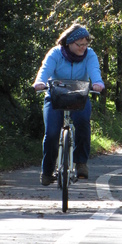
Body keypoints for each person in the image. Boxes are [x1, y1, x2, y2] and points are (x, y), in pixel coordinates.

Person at [33, 23, 105, 185]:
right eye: (79, 44)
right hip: (55, 96)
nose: (83, 48)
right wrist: (40, 82)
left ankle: (80, 163)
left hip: (79, 96)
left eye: (86, 44)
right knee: (51, 133)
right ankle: (47, 171)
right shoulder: (56, 53)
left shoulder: (90, 55)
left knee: (83, 123)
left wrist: (98, 83)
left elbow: (95, 71)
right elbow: (45, 70)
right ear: (69, 43)